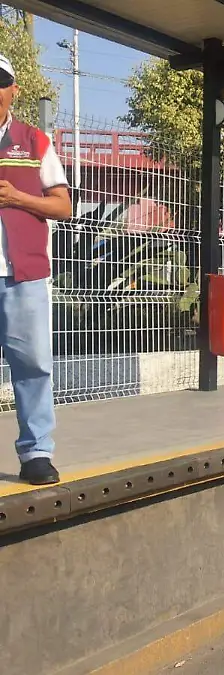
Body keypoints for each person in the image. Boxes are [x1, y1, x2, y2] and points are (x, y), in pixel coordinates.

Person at [0, 54, 73, 484]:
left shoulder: (34, 142)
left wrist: (17, 199)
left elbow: (63, 205)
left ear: (13, 91)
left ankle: (36, 453)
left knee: (32, 365)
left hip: (22, 275)